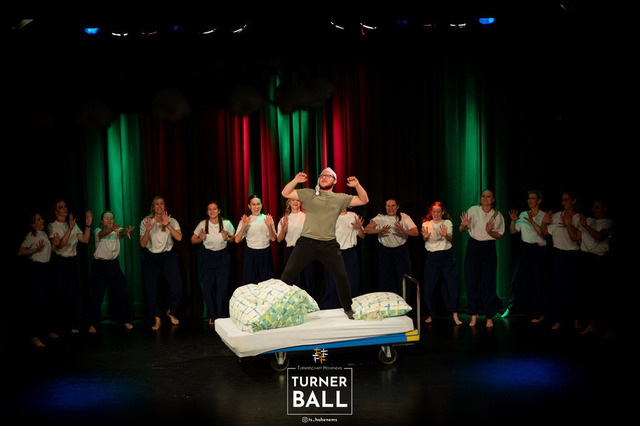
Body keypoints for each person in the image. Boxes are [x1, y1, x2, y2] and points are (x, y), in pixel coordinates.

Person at [280, 168, 369, 318]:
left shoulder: (340, 198)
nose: (324, 177)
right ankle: (280, 308)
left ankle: (348, 308)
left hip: (328, 244)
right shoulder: (309, 194)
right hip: (307, 242)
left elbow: (364, 200)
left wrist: (357, 185)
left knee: (341, 276)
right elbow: (285, 193)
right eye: (322, 175)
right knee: (287, 275)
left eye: (328, 176)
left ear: (335, 181)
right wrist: (295, 180)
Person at [459, 189, 505, 327]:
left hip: (488, 248)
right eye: (483, 196)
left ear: (493, 199)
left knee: (487, 283)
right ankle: (473, 314)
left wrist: (490, 231)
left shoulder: (497, 215)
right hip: (473, 247)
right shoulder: (473, 210)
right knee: (471, 281)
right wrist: (464, 225)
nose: (485, 198)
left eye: (488, 196)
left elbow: (499, 235)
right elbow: (461, 229)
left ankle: (489, 316)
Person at [47, 199, 92, 335]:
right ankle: (55, 328)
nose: (64, 209)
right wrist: (70, 229)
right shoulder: (52, 226)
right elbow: (61, 245)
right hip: (59, 263)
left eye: (65, 206)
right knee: (58, 295)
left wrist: (88, 225)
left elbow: (85, 239)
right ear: (56, 211)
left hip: (71, 262)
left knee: (71, 294)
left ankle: (69, 325)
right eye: (61, 207)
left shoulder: (71, 224)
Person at [503, 190, 549, 324]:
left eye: (533, 198)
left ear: (539, 201)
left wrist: (532, 221)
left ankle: (538, 313)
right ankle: (511, 307)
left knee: (537, 282)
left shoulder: (543, 216)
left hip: (539, 250)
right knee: (516, 279)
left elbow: (543, 235)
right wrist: (513, 221)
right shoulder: (523, 214)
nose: (530, 201)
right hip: (526, 249)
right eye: (529, 198)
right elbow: (513, 231)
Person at [139, 196, 183, 330]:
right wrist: (147, 230)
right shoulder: (146, 222)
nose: (159, 206)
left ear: (164, 206)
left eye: (161, 204)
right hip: (151, 258)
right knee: (151, 291)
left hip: (168, 257)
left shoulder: (172, 221)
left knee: (177, 289)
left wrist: (167, 225)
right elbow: (142, 244)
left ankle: (171, 312)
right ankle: (157, 318)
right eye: (156, 204)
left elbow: (179, 238)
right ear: (153, 207)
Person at [18, 212, 60, 348]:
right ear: (32, 224)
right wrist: (35, 249)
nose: (42, 221)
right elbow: (20, 252)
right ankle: (34, 336)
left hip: (47, 270)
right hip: (36, 271)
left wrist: (55, 245)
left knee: (48, 302)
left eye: (41, 218)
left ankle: (46, 331)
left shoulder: (43, 234)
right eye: (38, 219)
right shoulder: (31, 235)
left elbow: (48, 252)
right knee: (39, 303)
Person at [88, 211, 134, 333]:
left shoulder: (115, 232)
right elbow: (102, 234)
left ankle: (125, 319)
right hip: (99, 266)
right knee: (97, 296)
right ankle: (93, 323)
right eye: (106, 218)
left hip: (113, 265)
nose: (109, 220)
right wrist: (111, 230)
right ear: (102, 221)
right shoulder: (97, 231)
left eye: (111, 218)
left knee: (122, 292)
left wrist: (126, 231)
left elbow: (121, 232)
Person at [572, 198, 613, 335]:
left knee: (600, 295)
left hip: (600, 261)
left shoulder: (607, 222)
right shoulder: (589, 220)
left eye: (597, 207)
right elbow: (577, 234)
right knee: (588, 294)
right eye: (593, 207)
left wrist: (585, 225)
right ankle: (589, 323)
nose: (594, 210)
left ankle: (606, 328)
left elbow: (599, 237)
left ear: (605, 209)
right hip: (587, 259)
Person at [541, 191, 581, 331]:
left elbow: (577, 237)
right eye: (562, 200)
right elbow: (546, 232)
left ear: (573, 201)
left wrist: (568, 225)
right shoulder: (557, 215)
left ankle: (576, 319)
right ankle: (559, 319)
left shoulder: (578, 218)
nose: (564, 202)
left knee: (574, 289)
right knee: (558, 289)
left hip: (573, 255)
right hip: (559, 255)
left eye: (567, 200)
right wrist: (544, 223)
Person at [191, 201, 235, 326]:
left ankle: (220, 317)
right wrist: (199, 239)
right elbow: (192, 240)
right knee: (207, 288)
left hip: (223, 257)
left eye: (214, 209)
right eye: (209, 209)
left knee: (222, 289)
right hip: (208, 257)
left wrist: (227, 238)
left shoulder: (226, 223)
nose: (212, 211)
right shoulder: (203, 224)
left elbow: (234, 238)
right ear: (207, 212)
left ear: (219, 211)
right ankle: (212, 316)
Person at [364, 198, 418, 294]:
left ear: (397, 207)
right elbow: (367, 229)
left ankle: (404, 301)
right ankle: (388, 302)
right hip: (385, 252)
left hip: (401, 252)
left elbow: (415, 232)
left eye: (393, 205)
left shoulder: (404, 217)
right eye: (388, 206)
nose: (390, 208)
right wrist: (379, 231)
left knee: (404, 279)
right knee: (385, 279)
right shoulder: (380, 217)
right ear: (385, 207)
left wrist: (404, 231)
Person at [421, 202, 462, 325]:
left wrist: (446, 235)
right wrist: (425, 237)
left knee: (452, 286)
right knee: (429, 288)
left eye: (438, 211)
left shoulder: (447, 223)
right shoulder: (426, 224)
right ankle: (431, 313)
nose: (436, 214)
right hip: (432, 258)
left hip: (446, 257)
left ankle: (455, 314)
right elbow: (425, 239)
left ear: (442, 212)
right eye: (434, 211)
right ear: (431, 212)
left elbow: (450, 238)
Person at [320, 207, 365, 309]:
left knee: (351, 279)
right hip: (335, 253)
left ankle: (352, 305)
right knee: (334, 281)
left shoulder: (353, 215)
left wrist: (359, 228)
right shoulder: (331, 216)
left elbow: (362, 235)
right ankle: (333, 306)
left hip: (350, 253)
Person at [234, 195, 277, 284]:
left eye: (258, 204)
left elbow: (273, 238)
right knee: (250, 282)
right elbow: (237, 240)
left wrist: (269, 226)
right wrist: (243, 226)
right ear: (249, 206)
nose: (256, 207)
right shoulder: (246, 220)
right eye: (253, 204)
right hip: (251, 254)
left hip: (265, 253)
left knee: (266, 282)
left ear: (261, 205)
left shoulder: (267, 219)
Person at [277, 199, 313, 293]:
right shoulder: (285, 219)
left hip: (306, 250)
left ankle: (308, 299)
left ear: (300, 202)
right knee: (295, 280)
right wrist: (283, 230)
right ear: (289, 203)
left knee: (307, 277)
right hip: (292, 251)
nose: (295, 202)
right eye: (293, 200)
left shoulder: (307, 217)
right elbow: (279, 239)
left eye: (297, 200)